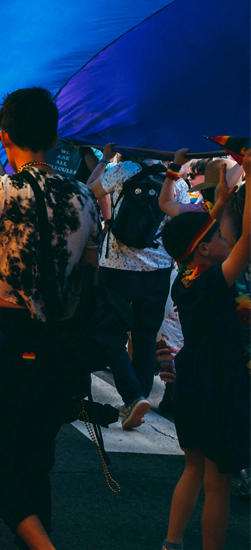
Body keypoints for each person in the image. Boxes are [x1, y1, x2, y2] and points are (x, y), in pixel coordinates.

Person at [0, 87, 102, 550]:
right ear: (54, 138)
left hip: (10, 344)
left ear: (4, 137)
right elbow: (89, 277)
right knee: (37, 465)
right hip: (62, 348)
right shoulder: (84, 199)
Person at [154, 154, 249, 550]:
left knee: (193, 468)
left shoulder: (188, 279)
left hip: (193, 378)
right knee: (218, 482)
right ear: (207, 251)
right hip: (220, 382)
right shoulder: (215, 281)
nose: (228, 238)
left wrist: (223, 201)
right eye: (219, 238)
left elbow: (209, 234)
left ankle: (172, 548)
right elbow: (247, 240)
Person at [86, 143, 189, 429]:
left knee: (110, 332)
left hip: (117, 267)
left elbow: (89, 191)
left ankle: (132, 396)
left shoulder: (123, 169)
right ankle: (140, 396)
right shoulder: (176, 180)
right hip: (158, 269)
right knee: (144, 338)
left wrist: (105, 159)